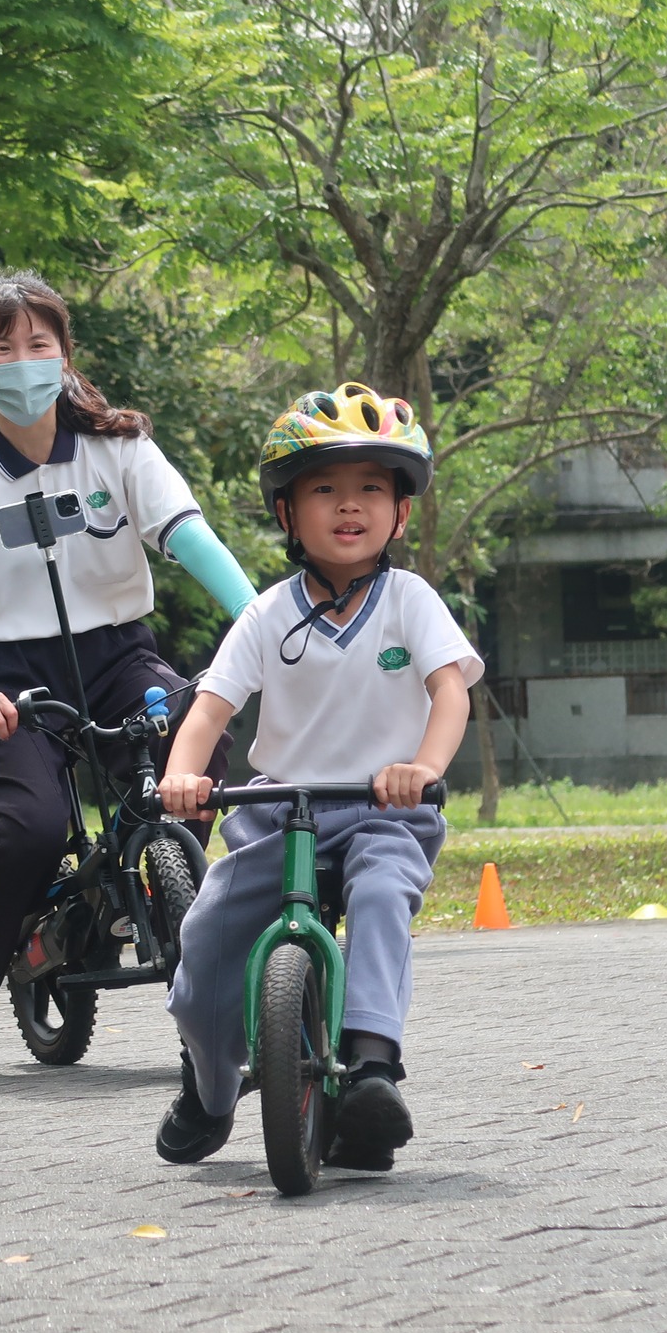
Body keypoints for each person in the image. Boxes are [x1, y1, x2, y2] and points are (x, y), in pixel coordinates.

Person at [0, 271, 258, 1054]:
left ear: (65, 354)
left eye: (37, 344)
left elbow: (188, 538)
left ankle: (155, 881)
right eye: (1, 348)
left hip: (117, 654)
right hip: (2, 673)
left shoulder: (119, 447)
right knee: (34, 828)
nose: (21, 361)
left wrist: (268, 630)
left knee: (194, 730)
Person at [153, 383, 482, 1172]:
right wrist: (180, 782)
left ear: (400, 513)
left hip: (383, 811)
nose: (349, 507)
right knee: (204, 939)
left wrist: (422, 769)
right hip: (279, 813)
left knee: (379, 892)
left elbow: (450, 692)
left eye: (372, 489)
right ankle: (208, 1087)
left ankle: (372, 1070)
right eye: (325, 490)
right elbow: (207, 714)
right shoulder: (267, 615)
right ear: (286, 513)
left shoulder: (410, 601)